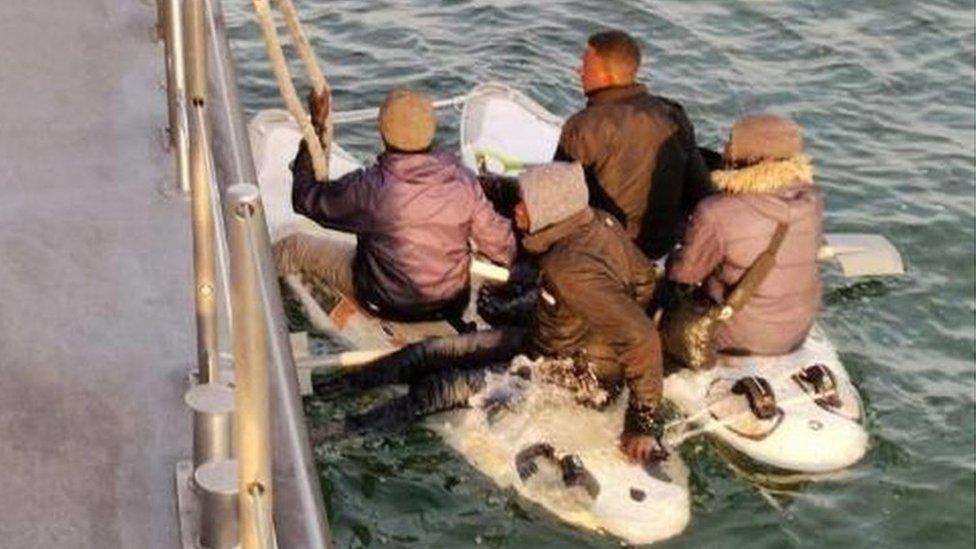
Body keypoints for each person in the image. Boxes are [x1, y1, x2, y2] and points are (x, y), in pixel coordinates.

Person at [322, 162, 668, 464]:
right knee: (425, 353)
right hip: (546, 342)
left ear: (550, 210)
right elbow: (644, 280)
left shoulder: (570, 269)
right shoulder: (599, 223)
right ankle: (335, 390)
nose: (517, 209)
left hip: (572, 373)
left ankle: (339, 433)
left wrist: (641, 424)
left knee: (439, 389)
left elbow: (643, 339)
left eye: (525, 203)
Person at [275, 88, 517, 322]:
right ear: (432, 129)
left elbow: (306, 199)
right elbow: (501, 244)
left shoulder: (369, 188)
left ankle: (243, 294)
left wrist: (316, 128)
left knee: (294, 246)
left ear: (382, 132)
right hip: (450, 304)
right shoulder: (464, 181)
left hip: (385, 303)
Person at [668, 113, 823, 355]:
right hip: (797, 331)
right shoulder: (812, 199)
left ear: (751, 154)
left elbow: (685, 274)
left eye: (732, 141)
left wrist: (673, 257)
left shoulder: (716, 210)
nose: (726, 147)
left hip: (737, 336)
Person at [555, 29, 712, 259]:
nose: (579, 71)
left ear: (606, 77)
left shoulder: (584, 127)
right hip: (661, 246)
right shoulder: (673, 114)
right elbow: (699, 189)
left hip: (606, 248)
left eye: (585, 66)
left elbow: (557, 200)